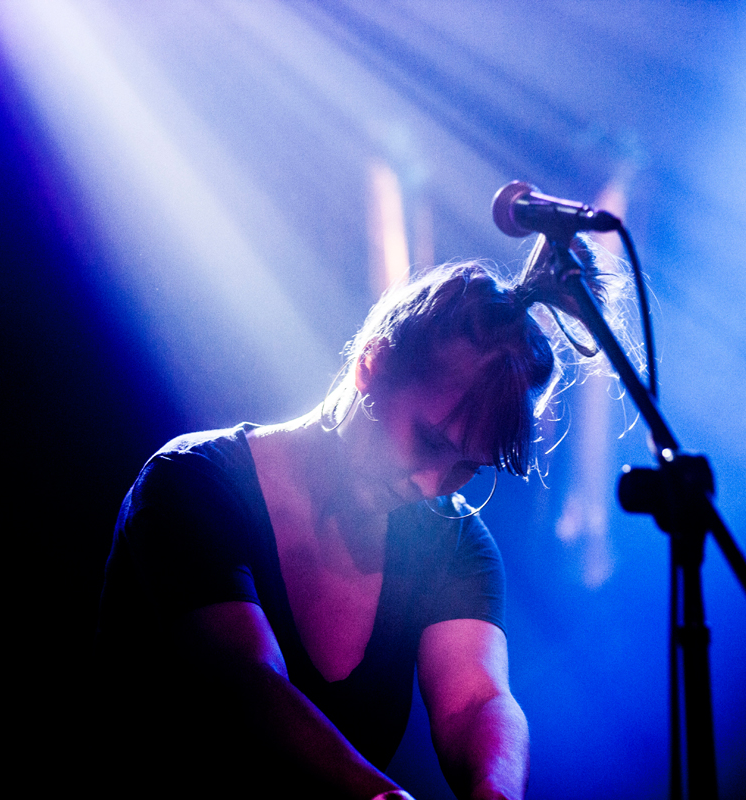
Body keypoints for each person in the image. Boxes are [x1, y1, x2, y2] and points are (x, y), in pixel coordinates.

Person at [96, 248, 606, 799]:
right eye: (430, 441)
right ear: (373, 361)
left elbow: (476, 702)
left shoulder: (454, 541)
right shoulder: (190, 485)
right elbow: (247, 684)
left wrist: (494, 793)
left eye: (466, 466)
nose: (431, 484)